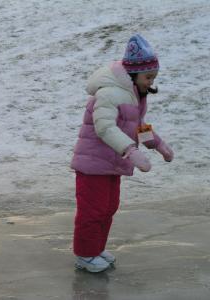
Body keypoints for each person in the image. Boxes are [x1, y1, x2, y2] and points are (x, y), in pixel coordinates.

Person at [70, 34, 174, 273]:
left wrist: (158, 144)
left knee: (108, 208)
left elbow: (137, 124)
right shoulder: (109, 93)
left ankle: (95, 248)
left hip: (112, 163)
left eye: (153, 78)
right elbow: (105, 127)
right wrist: (130, 150)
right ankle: (85, 254)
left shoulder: (134, 94)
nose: (150, 82)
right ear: (133, 74)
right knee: (92, 210)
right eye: (148, 77)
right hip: (93, 164)